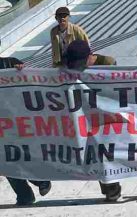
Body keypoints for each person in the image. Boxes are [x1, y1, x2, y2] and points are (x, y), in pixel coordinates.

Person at [63, 40, 122, 202]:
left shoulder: (107, 63)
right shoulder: (70, 65)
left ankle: (112, 186)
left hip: (106, 114)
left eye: (81, 63)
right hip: (86, 116)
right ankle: (109, 187)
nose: (79, 67)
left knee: (105, 151)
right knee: (94, 152)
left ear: (91, 55)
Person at [1, 45, 52, 207]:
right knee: (4, 160)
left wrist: (23, 71)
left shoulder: (10, 63)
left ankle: (40, 180)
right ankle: (25, 195)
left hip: (16, 121)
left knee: (22, 155)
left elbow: (30, 85)